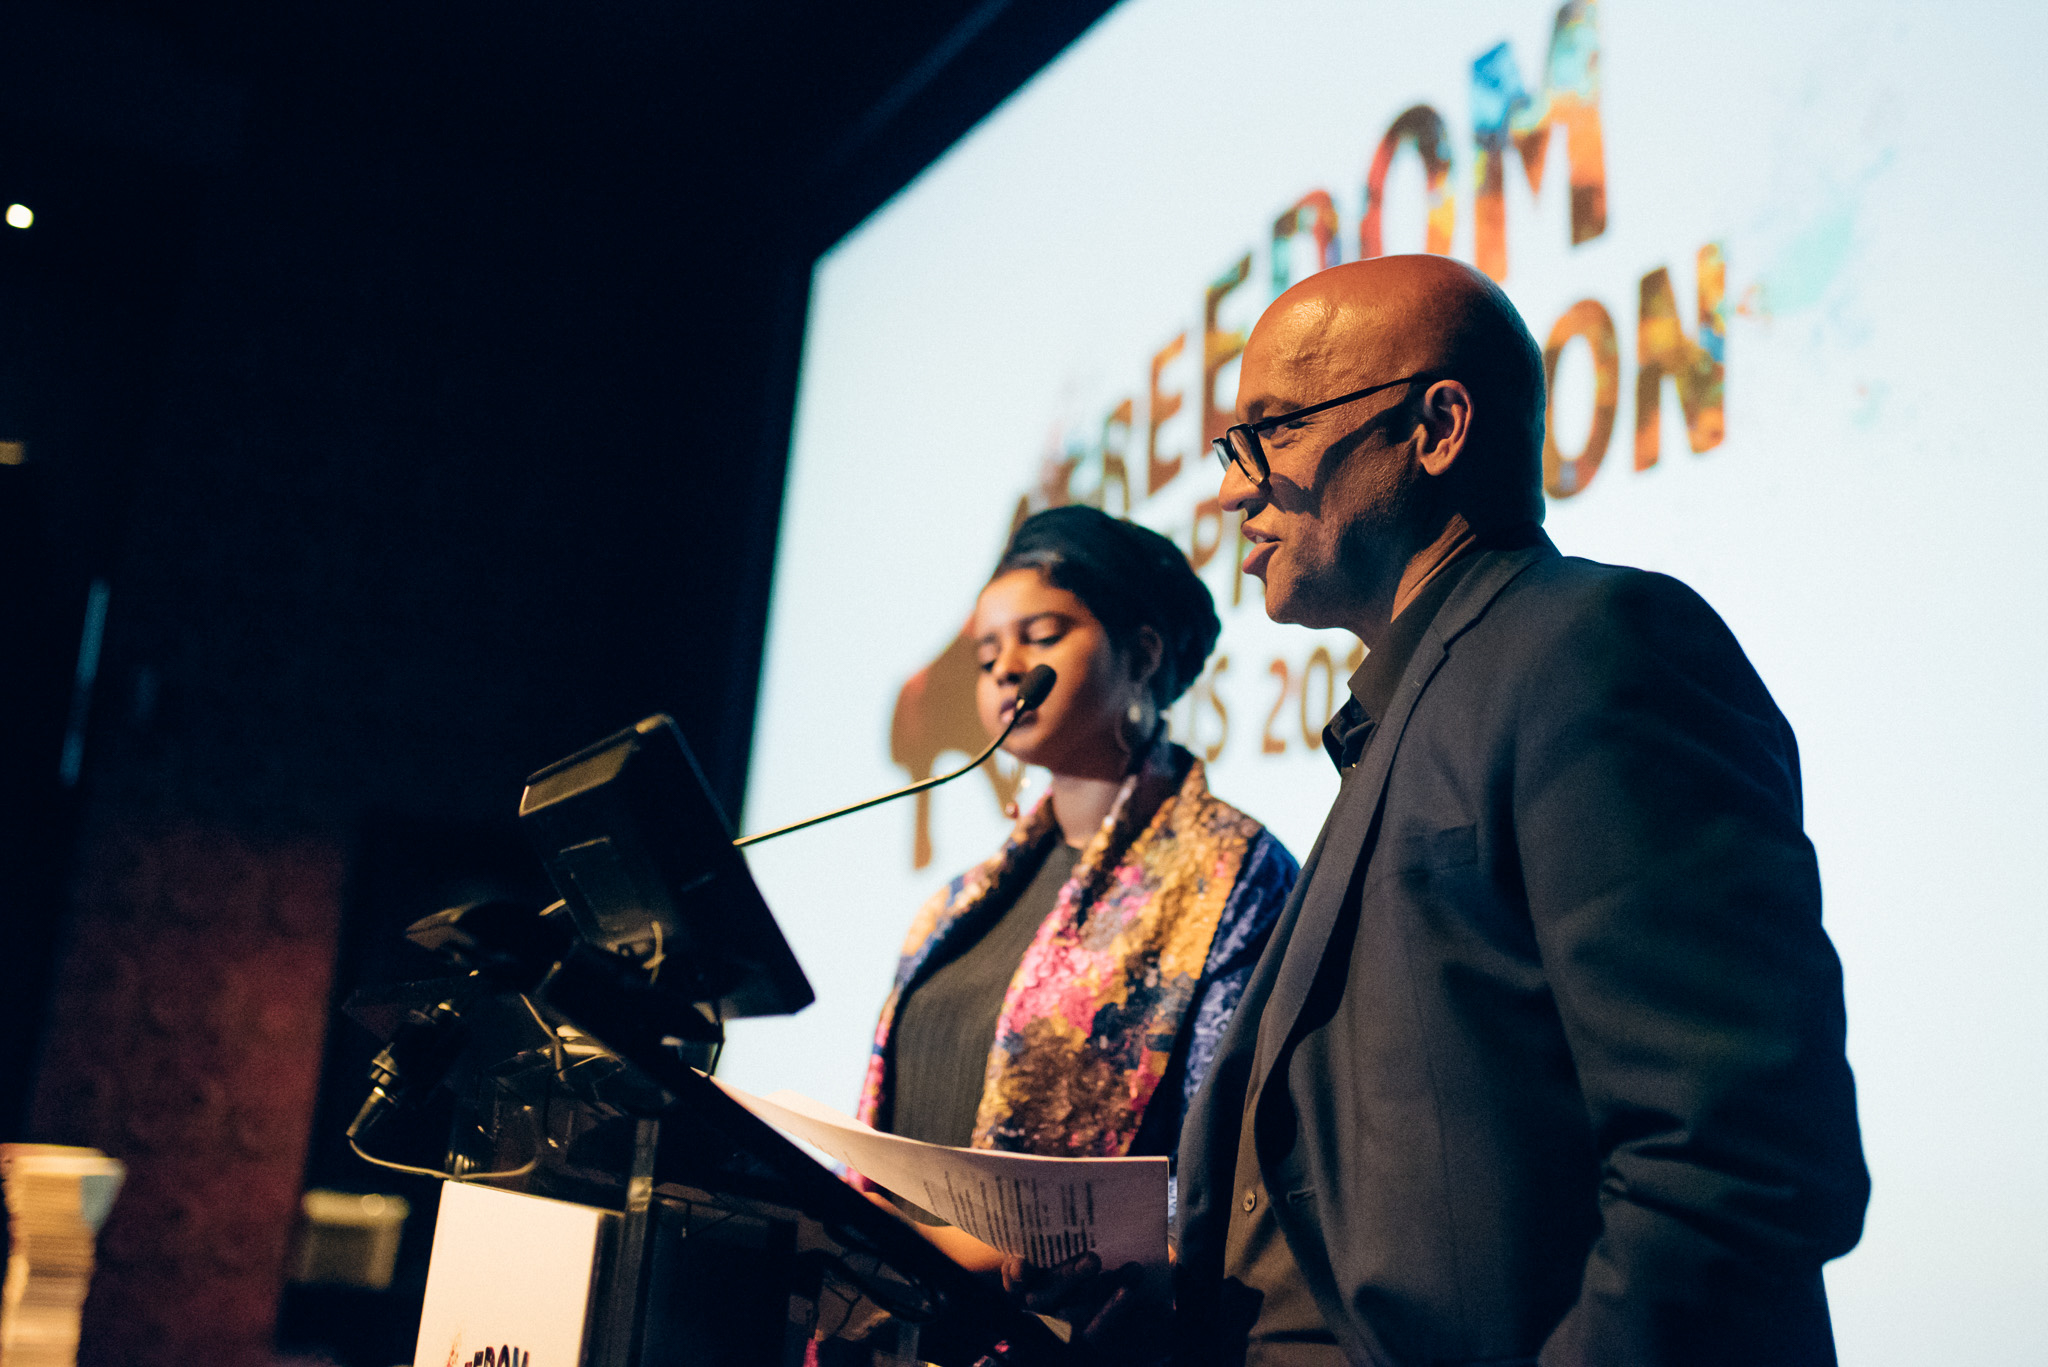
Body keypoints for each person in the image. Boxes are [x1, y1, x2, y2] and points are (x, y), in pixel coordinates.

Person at [1120, 254, 1869, 1367]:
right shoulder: (1413, 710)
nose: (1232, 487)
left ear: (1435, 426)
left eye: (1269, 429)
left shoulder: (1597, 647)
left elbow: (1730, 1160)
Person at [857, 505, 1297, 1167]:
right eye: (987, 653)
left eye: (1040, 635)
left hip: (1064, 1271)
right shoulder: (955, 904)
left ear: (1143, 653)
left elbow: (1227, 1165)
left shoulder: (1236, 873)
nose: (1007, 667)